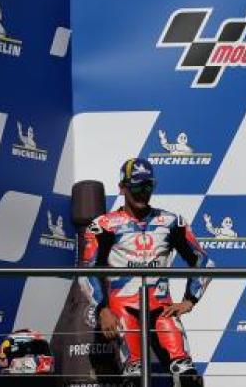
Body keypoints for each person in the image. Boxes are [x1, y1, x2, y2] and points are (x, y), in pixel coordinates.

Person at [82, 158, 211, 385]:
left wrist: (189, 300)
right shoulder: (103, 225)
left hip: (162, 310)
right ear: (122, 188)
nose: (143, 193)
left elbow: (202, 261)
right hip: (122, 311)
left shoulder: (172, 222)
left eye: (148, 186)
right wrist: (102, 310)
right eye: (136, 187)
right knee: (134, 378)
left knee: (188, 377)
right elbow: (87, 271)